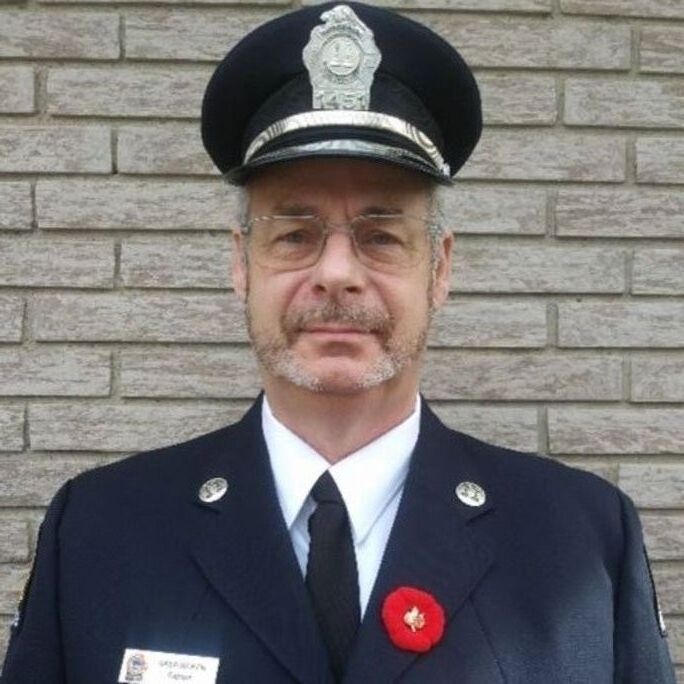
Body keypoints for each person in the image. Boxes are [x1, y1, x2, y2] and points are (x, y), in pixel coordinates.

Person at [1, 3, 676, 682]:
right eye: (295, 233)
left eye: (381, 235)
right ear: (241, 263)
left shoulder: (579, 544)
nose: (337, 273)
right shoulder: (101, 535)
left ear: (439, 267)